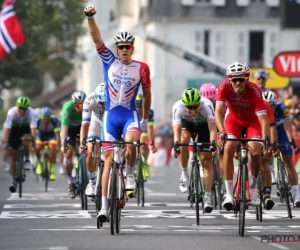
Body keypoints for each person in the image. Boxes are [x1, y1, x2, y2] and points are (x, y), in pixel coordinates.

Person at [84, 5, 154, 222]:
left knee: (132, 144)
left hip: (130, 115)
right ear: (117, 49)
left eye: (127, 47)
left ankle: (130, 173)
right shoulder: (109, 60)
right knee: (106, 158)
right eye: (121, 47)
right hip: (111, 117)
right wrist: (90, 18)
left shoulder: (142, 68)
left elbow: (148, 94)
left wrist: (143, 120)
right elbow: (96, 39)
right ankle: (103, 207)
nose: (124, 50)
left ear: (133, 48)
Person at [215, 61, 271, 211]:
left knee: (256, 151)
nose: (237, 83)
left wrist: (266, 138)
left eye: (241, 79)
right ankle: (228, 193)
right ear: (229, 80)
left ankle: (253, 189)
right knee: (229, 147)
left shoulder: (255, 91)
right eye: (234, 80)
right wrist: (221, 132)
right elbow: (219, 112)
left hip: (252, 122)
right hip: (233, 120)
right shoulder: (223, 87)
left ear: (247, 78)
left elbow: (263, 119)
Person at [172, 87, 217, 213]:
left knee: (207, 161)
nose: (192, 110)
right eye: (189, 107)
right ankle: (184, 173)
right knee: (184, 139)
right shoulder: (178, 107)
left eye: (195, 107)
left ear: (200, 103)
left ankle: (208, 196)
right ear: (184, 104)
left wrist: (213, 144)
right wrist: (176, 145)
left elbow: (213, 129)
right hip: (188, 125)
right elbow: (177, 130)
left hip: (203, 125)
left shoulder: (207, 104)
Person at [263, 91, 300, 207]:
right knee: (266, 156)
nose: (270, 109)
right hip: (267, 132)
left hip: (281, 132)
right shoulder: (259, 110)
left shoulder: (282, 108)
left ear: (275, 104)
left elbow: (289, 129)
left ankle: (296, 194)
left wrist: (292, 143)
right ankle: (271, 171)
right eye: (267, 106)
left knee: (288, 161)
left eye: (272, 106)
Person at [2, 97, 37, 192]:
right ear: (17, 106)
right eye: (20, 108)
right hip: (14, 129)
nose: (22, 110)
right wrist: (5, 141)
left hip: (26, 128)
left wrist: (33, 140)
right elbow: (7, 129)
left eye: (24, 108)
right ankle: (13, 178)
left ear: (27, 108)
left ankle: (27, 159)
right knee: (13, 155)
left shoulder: (31, 112)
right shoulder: (11, 112)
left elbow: (33, 128)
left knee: (27, 139)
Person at [79, 83, 106, 197]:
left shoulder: (117, 99)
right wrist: (82, 143)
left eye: (106, 103)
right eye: (101, 103)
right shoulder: (90, 100)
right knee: (90, 151)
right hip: (95, 122)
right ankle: (92, 181)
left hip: (110, 122)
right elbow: (85, 125)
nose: (103, 106)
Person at [60, 90, 86, 199]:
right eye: (79, 105)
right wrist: (63, 143)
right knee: (68, 153)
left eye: (83, 105)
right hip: (70, 130)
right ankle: (70, 181)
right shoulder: (67, 108)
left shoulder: (88, 107)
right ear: (74, 104)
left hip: (83, 128)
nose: (82, 108)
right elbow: (64, 129)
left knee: (88, 148)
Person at [35, 106, 61, 181]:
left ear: (50, 117)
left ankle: (52, 171)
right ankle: (39, 164)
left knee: (53, 149)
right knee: (37, 148)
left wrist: (58, 144)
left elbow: (57, 134)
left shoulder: (55, 121)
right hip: (41, 135)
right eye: (44, 119)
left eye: (47, 119)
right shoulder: (38, 121)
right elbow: (35, 134)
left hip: (51, 136)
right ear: (41, 117)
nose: (46, 121)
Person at [135, 93, 156, 179]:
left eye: (141, 106)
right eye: (137, 106)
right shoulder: (130, 112)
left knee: (143, 142)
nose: (139, 109)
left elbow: (150, 128)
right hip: (132, 128)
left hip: (143, 129)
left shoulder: (149, 112)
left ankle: (145, 163)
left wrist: (151, 142)